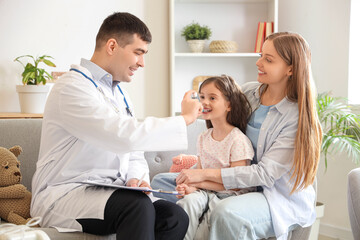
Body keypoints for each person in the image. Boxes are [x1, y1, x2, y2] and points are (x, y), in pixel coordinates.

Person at [30, 12, 202, 240]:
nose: (142, 63)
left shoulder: (119, 93)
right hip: (65, 193)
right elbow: (122, 135)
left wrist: (136, 178)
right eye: (138, 53)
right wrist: (185, 119)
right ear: (112, 46)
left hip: (110, 191)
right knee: (136, 207)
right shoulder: (71, 88)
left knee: (174, 216)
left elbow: (134, 152)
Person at [151, 32, 322, 240]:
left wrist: (202, 176)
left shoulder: (296, 117)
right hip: (231, 182)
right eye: (261, 55)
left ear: (291, 69)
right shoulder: (250, 93)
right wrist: (193, 110)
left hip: (272, 195)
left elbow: (264, 175)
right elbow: (219, 112)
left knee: (226, 212)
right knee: (161, 182)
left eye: (268, 60)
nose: (259, 62)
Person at [175, 75, 256, 240]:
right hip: (207, 192)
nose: (204, 102)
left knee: (204, 230)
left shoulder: (237, 140)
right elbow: (199, 171)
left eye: (212, 98)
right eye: (202, 97)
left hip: (229, 195)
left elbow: (236, 185)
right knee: (186, 203)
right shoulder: (203, 137)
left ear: (229, 105)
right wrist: (192, 188)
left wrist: (198, 183)